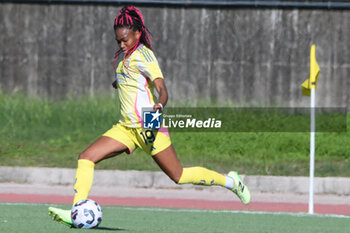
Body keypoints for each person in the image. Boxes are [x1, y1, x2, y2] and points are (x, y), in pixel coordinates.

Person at [48, 6, 251, 227]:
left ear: (136, 33)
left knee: (179, 175)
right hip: (126, 128)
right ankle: (77, 211)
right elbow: (133, 81)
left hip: (148, 126)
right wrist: (120, 82)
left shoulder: (145, 55)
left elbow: (162, 89)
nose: (122, 44)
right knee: (86, 157)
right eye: (118, 41)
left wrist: (159, 105)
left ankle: (231, 182)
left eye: (125, 39)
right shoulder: (126, 57)